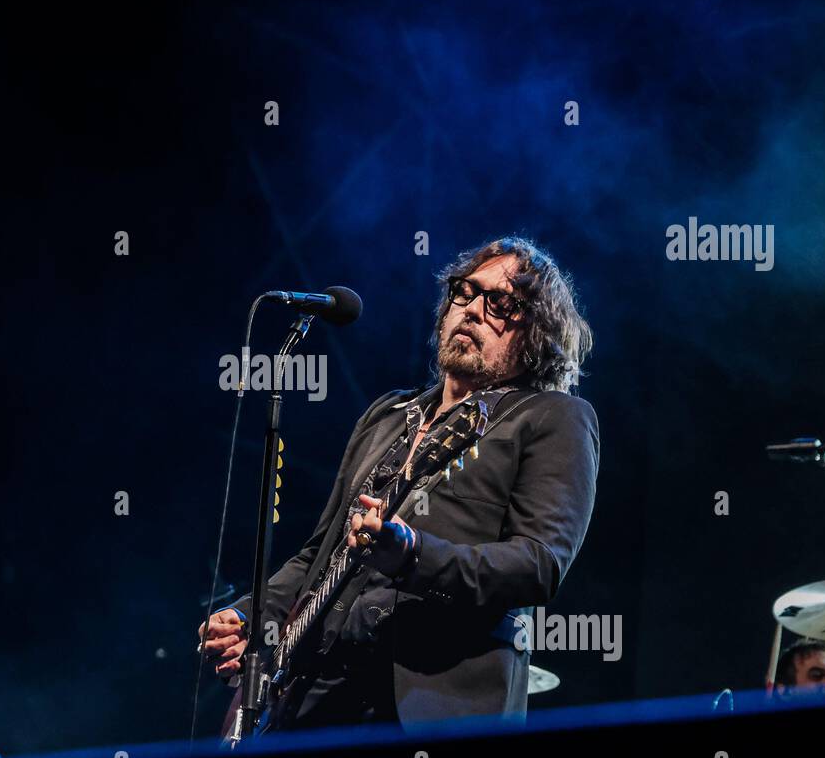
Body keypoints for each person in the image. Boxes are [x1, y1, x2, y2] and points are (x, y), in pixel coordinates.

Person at [200, 236, 599, 728]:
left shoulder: (553, 418)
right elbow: (319, 553)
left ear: (537, 330)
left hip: (427, 704)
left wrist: (414, 556)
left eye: (499, 302)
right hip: (310, 695)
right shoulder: (388, 414)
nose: (472, 310)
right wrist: (251, 614)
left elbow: (539, 563)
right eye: (464, 292)